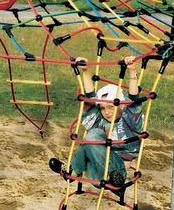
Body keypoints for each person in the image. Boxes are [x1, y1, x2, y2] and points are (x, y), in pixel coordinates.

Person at [50, 56, 143, 194]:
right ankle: (73, 171)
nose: (107, 112)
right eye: (103, 108)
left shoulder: (129, 117)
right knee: (92, 135)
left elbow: (134, 98)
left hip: (117, 172)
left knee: (92, 136)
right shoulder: (100, 121)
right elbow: (90, 97)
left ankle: (76, 171)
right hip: (95, 173)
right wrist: (86, 71)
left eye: (111, 107)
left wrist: (132, 71)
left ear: (122, 105)